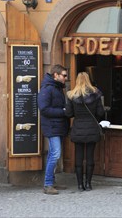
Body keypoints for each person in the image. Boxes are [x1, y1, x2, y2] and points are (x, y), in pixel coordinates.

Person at [65, 72, 105, 191]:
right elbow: (100, 113)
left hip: (78, 129)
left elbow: (68, 114)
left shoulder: (71, 95)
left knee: (78, 157)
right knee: (90, 157)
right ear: (89, 80)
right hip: (92, 129)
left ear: (77, 81)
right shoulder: (96, 94)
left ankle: (79, 185)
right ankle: (88, 184)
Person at [38, 64, 69, 195]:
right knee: (55, 154)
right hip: (52, 126)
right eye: (64, 75)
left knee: (53, 154)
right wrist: (63, 111)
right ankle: (48, 184)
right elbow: (44, 109)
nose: (66, 78)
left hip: (57, 126)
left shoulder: (57, 88)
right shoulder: (47, 89)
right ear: (56, 75)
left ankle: (51, 181)